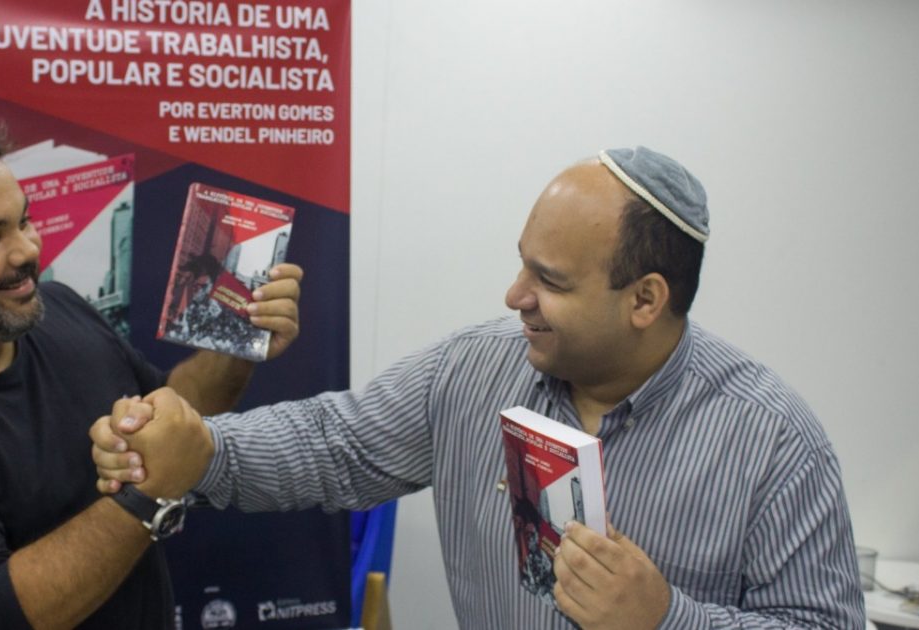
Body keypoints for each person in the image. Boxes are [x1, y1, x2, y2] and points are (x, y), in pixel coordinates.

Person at [92, 147, 866, 629]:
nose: (514, 295)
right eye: (522, 261)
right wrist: (198, 449)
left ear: (645, 300)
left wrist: (666, 621)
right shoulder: (474, 370)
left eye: (550, 281)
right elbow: (332, 445)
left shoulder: (773, 441)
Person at [0, 120, 302, 630]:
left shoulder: (60, 308)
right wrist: (148, 497)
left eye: (23, 221)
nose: (27, 250)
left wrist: (237, 342)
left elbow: (175, 415)